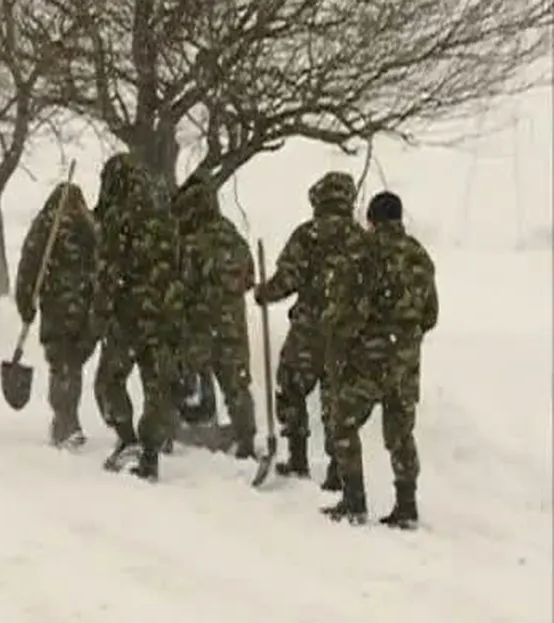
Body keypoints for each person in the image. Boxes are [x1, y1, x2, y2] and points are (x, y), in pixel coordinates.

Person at [320, 191, 438, 527]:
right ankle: (407, 505)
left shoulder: (364, 254)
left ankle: (354, 500)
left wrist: (343, 340)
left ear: (372, 219)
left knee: (342, 420)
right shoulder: (420, 256)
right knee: (401, 431)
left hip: (370, 358)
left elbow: (350, 312)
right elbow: (430, 314)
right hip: (407, 360)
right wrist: (405, 337)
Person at [252, 171, 368, 489]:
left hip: (308, 332)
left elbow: (288, 278)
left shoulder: (308, 235)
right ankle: (336, 468)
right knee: (335, 400)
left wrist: (265, 292)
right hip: (345, 337)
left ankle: (298, 456)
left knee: (290, 387)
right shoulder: (361, 239)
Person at [92, 153, 187, 481]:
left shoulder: (119, 216)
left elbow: (109, 269)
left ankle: (127, 437)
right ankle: (149, 455)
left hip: (129, 315)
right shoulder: (167, 217)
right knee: (156, 386)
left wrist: (100, 312)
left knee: (108, 381)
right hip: (165, 315)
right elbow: (180, 265)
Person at [176, 174, 258, 458]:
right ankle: (245, 438)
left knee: (187, 375)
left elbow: (181, 284)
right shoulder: (233, 236)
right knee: (236, 384)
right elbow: (249, 278)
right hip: (233, 325)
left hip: (198, 324)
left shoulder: (190, 241)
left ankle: (184, 429)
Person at [14, 181, 99, 449]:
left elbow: (29, 265)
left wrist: (26, 304)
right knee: (72, 363)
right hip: (86, 307)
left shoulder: (46, 224)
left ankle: (65, 423)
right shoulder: (91, 225)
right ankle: (67, 420)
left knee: (61, 363)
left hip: (57, 307)